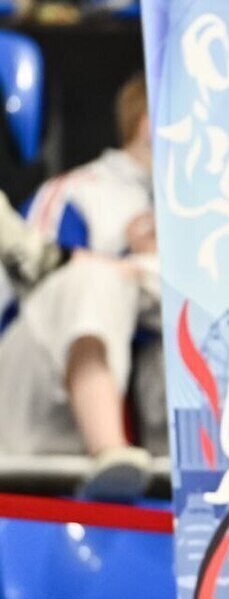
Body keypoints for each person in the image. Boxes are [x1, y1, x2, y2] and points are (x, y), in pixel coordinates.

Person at [0, 73, 160, 498]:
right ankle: (109, 448)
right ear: (150, 123)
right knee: (94, 280)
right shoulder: (79, 190)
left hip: (148, 409)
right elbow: (34, 276)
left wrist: (149, 268)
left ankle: (201, 479)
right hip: (27, 400)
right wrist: (132, 267)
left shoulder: (202, 214)